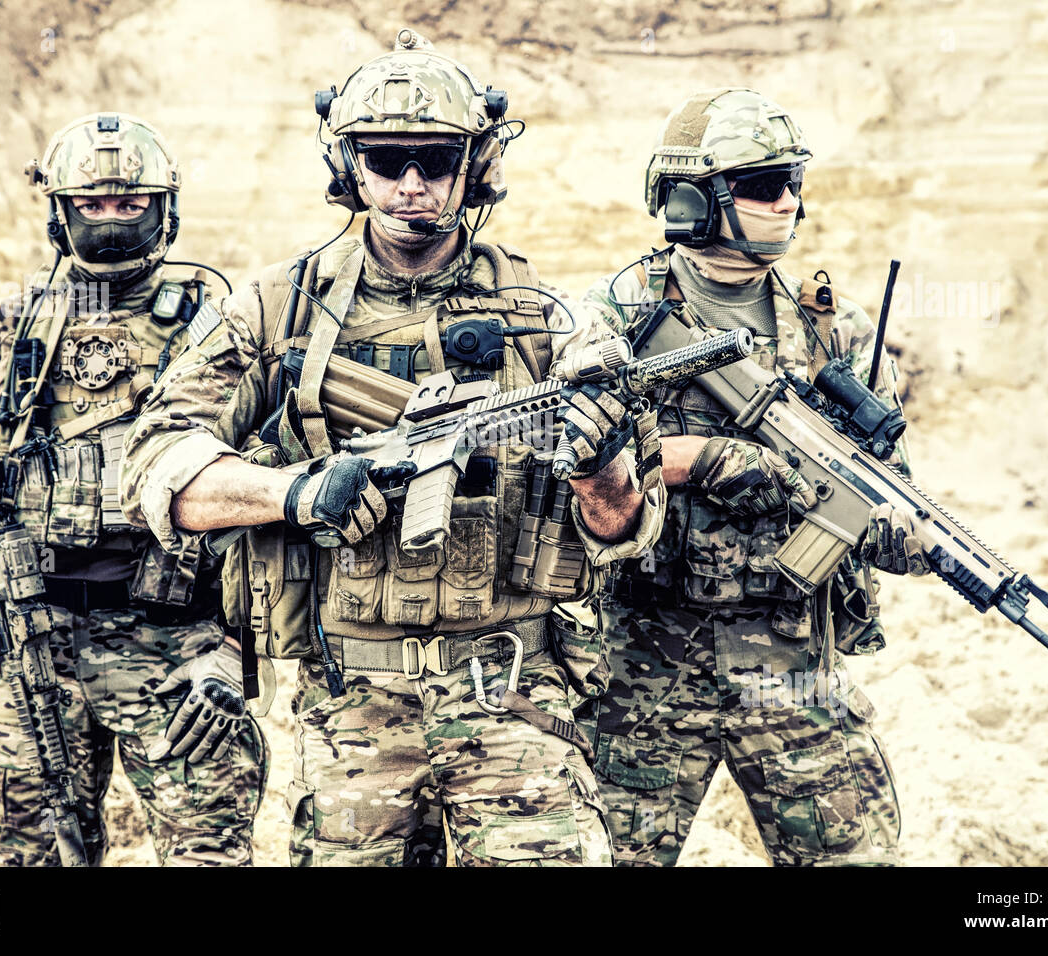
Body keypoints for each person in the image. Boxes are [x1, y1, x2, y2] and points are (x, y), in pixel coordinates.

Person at [121, 30, 663, 866]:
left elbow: (629, 523)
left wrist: (600, 466)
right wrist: (297, 494)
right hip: (351, 707)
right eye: (385, 160)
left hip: (514, 693)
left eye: (437, 161)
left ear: (475, 168)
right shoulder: (278, 312)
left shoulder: (554, 322)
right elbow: (159, 469)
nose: (412, 185)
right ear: (349, 169)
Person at [0, 112, 267, 866]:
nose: (113, 222)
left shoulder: (222, 332)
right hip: (35, 646)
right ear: (60, 210)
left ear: (166, 209)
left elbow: (269, 495)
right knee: (28, 857)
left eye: (131, 204)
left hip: (181, 645)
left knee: (208, 856)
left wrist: (231, 650)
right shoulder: (2, 333)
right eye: (92, 204)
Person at [576, 88, 928, 866]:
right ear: (694, 199)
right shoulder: (616, 316)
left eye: (793, 182)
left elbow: (894, 501)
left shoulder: (830, 329)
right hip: (645, 664)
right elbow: (572, 480)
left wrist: (895, 526)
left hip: (794, 666)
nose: (788, 202)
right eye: (765, 185)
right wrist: (710, 461)